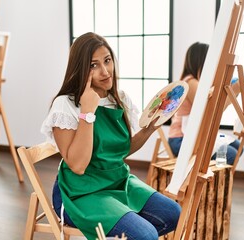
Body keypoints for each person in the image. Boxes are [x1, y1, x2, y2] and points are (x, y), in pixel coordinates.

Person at [40, 32, 181, 240]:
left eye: (107, 60)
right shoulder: (66, 104)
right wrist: (87, 112)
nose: (105, 71)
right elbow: (78, 166)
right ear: (80, 69)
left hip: (116, 181)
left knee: (172, 213)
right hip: (80, 193)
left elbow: (121, 149)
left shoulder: (119, 98)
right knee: (146, 235)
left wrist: (149, 129)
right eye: (93, 65)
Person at [168, 42, 244, 165]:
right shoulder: (190, 82)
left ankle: (211, 180)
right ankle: (209, 183)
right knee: (231, 154)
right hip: (181, 139)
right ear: (202, 61)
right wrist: (233, 93)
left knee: (238, 146)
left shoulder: (196, 82)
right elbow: (210, 112)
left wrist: (232, 93)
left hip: (192, 135)